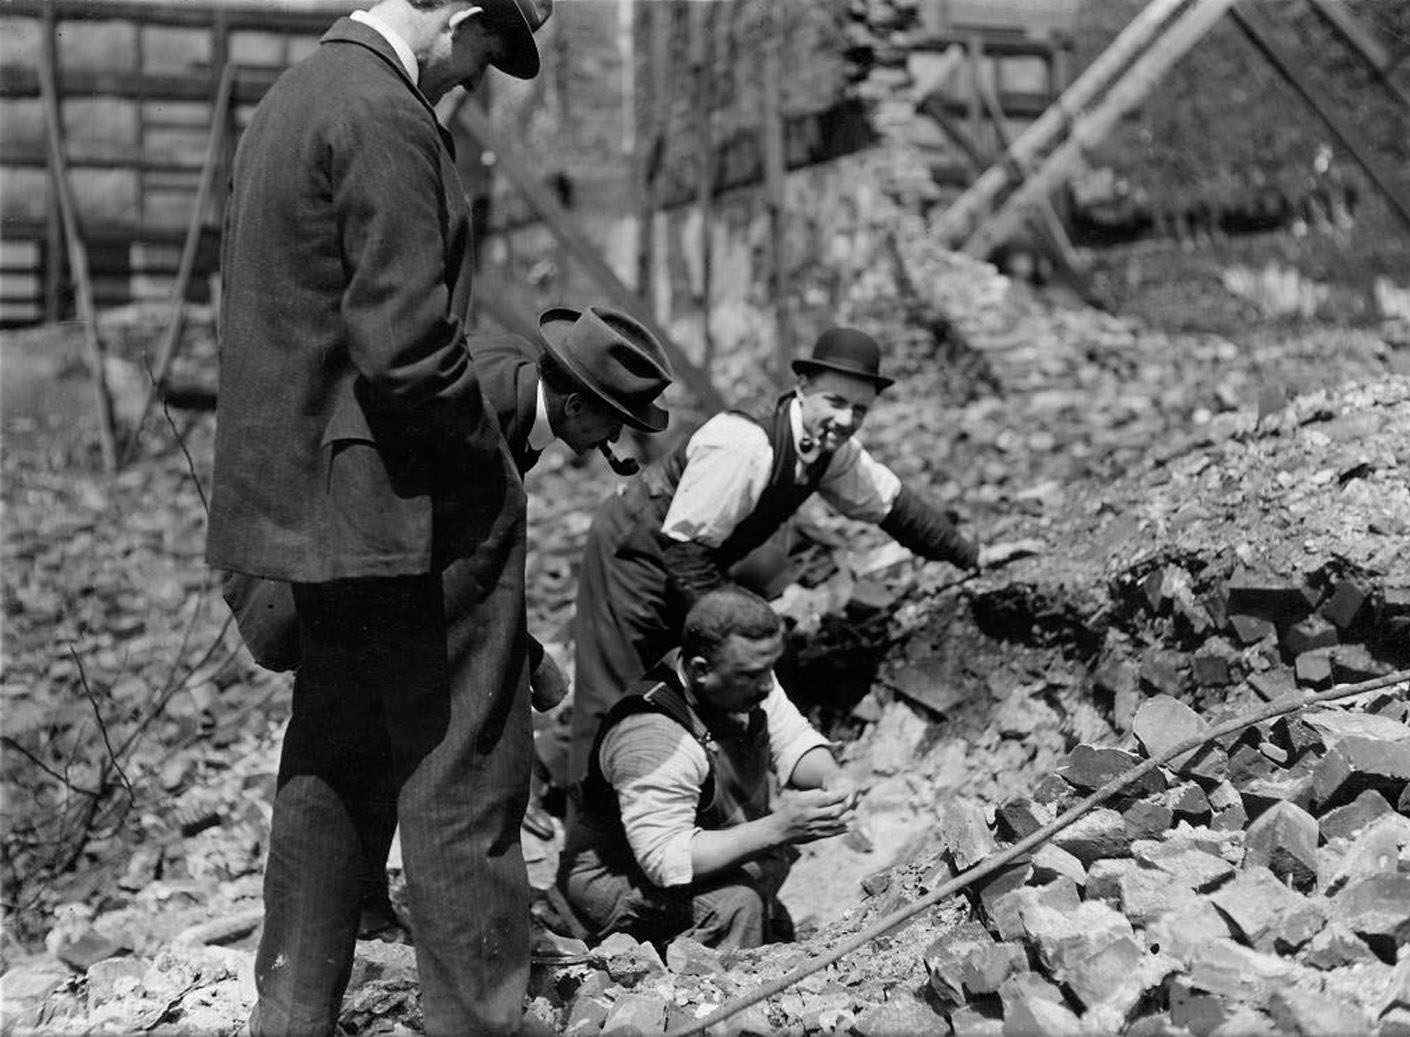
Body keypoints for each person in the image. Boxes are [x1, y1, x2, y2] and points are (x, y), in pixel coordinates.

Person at [206, 1, 554, 1033]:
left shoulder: (293, 97)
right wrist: (486, 469)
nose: (480, 75)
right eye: (490, 48)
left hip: (312, 506)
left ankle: (293, 1008)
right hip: (396, 500)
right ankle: (478, 1015)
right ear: (461, 15)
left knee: (334, 747)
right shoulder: (387, 115)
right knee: (465, 762)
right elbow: (405, 349)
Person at [568, 326, 1015, 785]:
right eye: (836, 402)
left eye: (859, 409)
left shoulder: (830, 450)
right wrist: (726, 635)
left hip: (692, 557)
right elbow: (684, 550)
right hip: (633, 552)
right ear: (804, 390)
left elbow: (893, 505)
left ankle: (686, 807)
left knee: (690, 686)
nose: (845, 419)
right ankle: (588, 830)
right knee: (617, 693)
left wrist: (972, 556)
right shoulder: (745, 443)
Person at [558, 587, 857, 950]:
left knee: (766, 865)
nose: (767, 684)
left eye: (769, 669)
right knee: (735, 906)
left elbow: (791, 737)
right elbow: (667, 858)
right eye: (752, 674)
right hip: (617, 876)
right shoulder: (653, 738)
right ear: (701, 670)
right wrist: (779, 826)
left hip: (690, 847)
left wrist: (832, 776)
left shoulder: (744, 677)